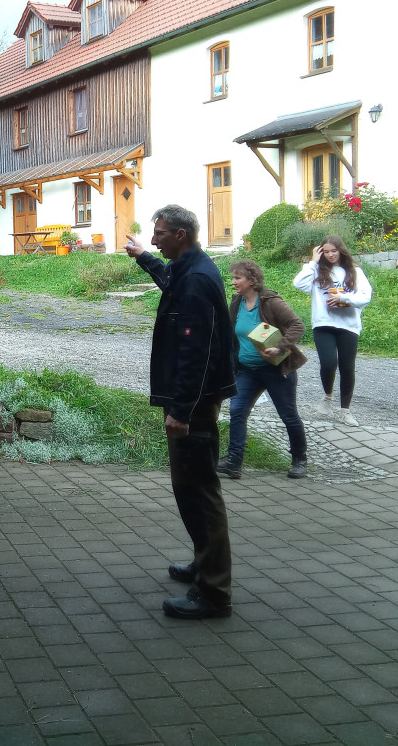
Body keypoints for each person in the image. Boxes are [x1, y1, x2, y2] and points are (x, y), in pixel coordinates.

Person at [125, 205, 237, 620]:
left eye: (160, 234)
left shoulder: (196, 280)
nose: (154, 239)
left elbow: (196, 353)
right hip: (195, 401)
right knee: (189, 488)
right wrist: (143, 257)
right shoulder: (189, 269)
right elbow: (167, 279)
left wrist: (181, 410)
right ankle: (203, 564)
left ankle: (214, 593)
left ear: (182, 234)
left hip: (195, 404)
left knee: (199, 491)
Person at [218, 260, 309, 480]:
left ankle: (299, 459)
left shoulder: (270, 302)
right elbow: (231, 334)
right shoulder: (237, 302)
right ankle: (234, 461)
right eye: (233, 278)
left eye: (238, 278)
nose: (233, 282)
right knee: (237, 411)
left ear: (252, 280)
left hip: (275, 370)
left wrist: (280, 348)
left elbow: (298, 325)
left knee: (288, 415)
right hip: (247, 370)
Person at [293, 235, 373, 426]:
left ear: (341, 250)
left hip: (348, 325)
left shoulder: (355, 272)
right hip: (323, 324)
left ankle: (344, 410)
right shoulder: (316, 271)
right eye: (326, 251)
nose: (330, 255)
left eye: (333, 251)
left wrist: (344, 299)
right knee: (328, 363)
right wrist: (312, 262)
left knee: (347, 367)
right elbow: (298, 284)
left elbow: (365, 296)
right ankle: (327, 398)